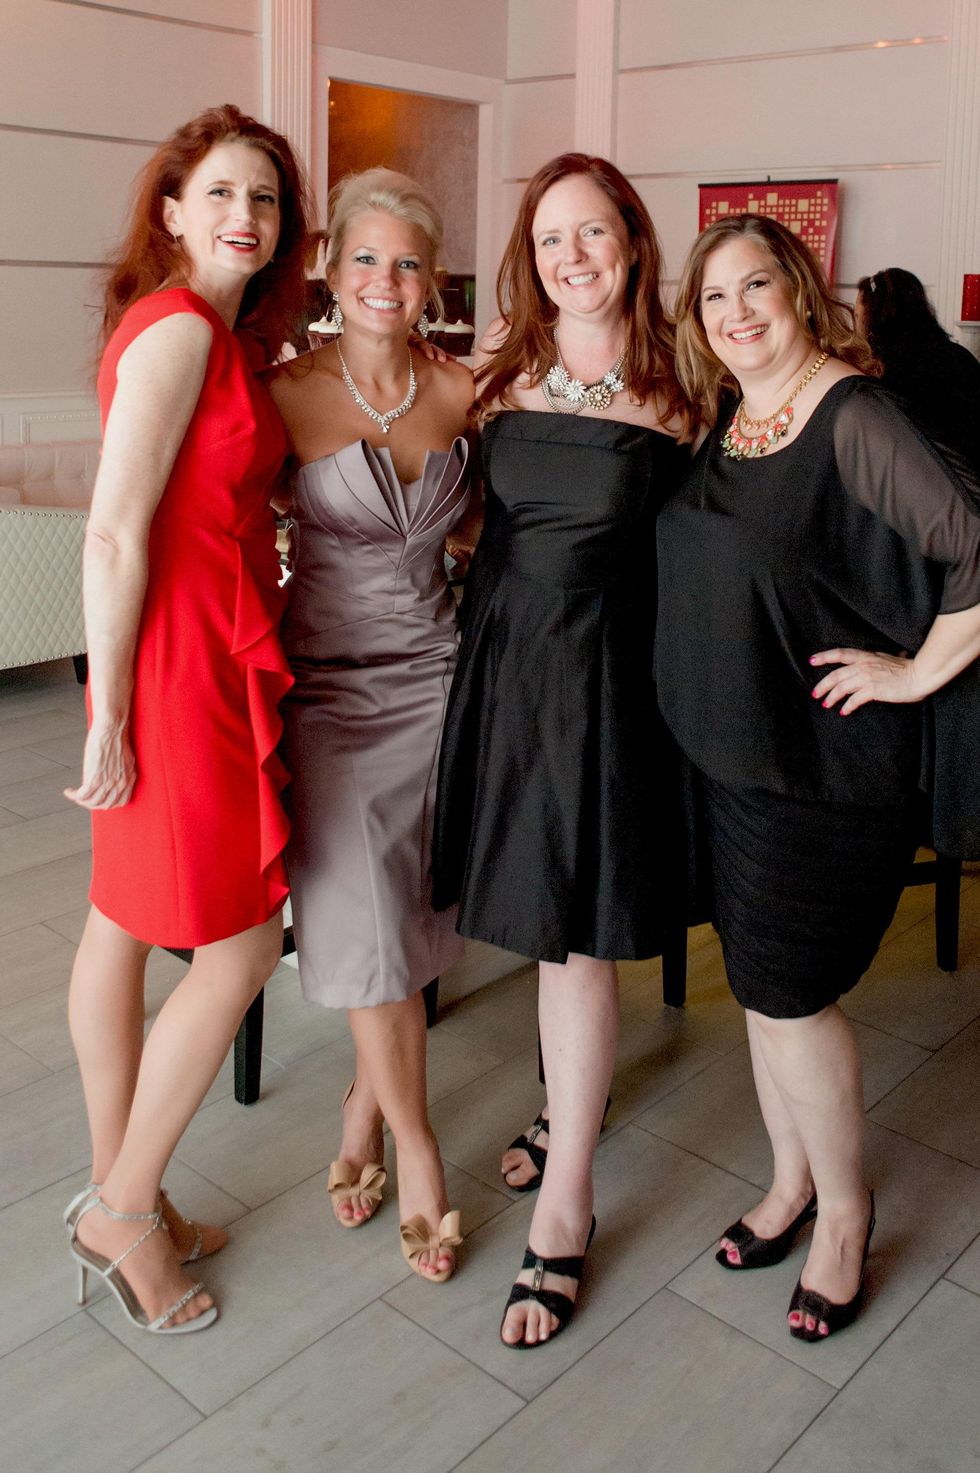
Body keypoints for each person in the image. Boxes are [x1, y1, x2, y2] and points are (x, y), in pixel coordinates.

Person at [660, 213, 980, 1342]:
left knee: (791, 998)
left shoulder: (852, 413)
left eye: (756, 285)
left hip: (821, 770)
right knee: (761, 991)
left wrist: (915, 671)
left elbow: (974, 546)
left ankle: (843, 1212)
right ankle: (790, 1181)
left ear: (798, 291)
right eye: (714, 296)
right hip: (731, 757)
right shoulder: (737, 416)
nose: (737, 312)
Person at [432, 153, 696, 1346]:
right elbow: (456, 514)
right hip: (505, 671)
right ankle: (562, 1108)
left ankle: (567, 1203)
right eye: (549, 239)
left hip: (611, 688)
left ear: (632, 242)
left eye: (591, 232)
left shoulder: (685, 383)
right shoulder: (499, 376)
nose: (570, 256)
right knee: (539, 914)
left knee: (578, 937)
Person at [64, 104, 311, 1334]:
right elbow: (113, 533)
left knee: (118, 924)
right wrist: (110, 712)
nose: (242, 215)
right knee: (245, 946)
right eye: (218, 191)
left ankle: (127, 1193)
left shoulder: (219, 336)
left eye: (262, 197)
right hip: (177, 667)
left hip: (194, 647)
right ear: (170, 211)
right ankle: (120, 1210)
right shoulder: (175, 329)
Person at [268, 168, 474, 1282]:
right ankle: (420, 1148)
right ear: (328, 269)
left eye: (405, 262)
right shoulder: (283, 394)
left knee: (409, 909)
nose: (383, 280)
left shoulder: (463, 391)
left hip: (441, 683)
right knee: (367, 914)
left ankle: (362, 1107)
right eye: (363, 258)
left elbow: (494, 529)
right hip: (328, 693)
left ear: (431, 279)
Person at [855, 267, 980, 481]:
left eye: (857, 316)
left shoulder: (880, 372)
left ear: (873, 318)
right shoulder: (960, 357)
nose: (855, 325)